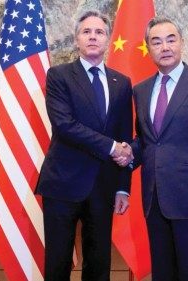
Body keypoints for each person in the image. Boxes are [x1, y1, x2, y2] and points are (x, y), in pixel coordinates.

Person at [115, 17, 188, 281]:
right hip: (154, 199)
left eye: (170, 39)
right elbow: (146, 142)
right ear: (149, 48)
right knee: (162, 274)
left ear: (182, 43)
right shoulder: (141, 91)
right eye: (156, 41)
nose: (164, 47)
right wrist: (126, 153)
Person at [35, 10, 133, 281]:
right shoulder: (59, 76)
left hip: (103, 187)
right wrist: (113, 147)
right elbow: (65, 125)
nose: (93, 36)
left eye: (99, 32)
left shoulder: (121, 83)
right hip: (63, 184)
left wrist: (123, 186)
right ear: (76, 39)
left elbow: (125, 136)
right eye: (86, 32)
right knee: (58, 264)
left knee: (99, 265)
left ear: (107, 40)